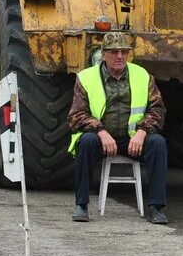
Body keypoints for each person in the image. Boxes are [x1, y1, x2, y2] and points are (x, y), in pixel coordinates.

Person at [67, 31, 169, 224]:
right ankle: (81, 205)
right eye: (114, 52)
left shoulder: (142, 76)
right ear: (103, 54)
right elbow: (76, 116)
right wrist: (101, 131)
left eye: (124, 52)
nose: (120, 56)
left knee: (158, 143)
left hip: (133, 139)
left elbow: (158, 110)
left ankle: (157, 208)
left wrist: (142, 132)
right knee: (86, 142)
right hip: (102, 139)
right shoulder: (86, 78)